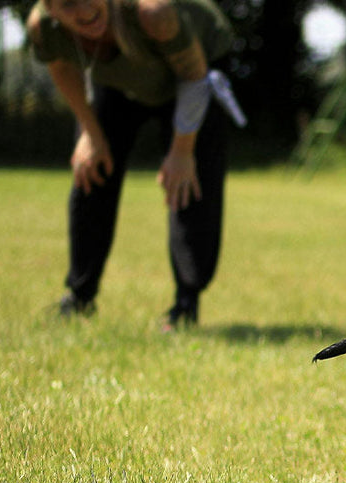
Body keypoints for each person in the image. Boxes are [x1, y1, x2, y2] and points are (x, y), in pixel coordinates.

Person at [27, 0, 245, 330]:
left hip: (194, 75)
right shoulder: (44, 27)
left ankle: (186, 304)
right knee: (91, 170)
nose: (82, 10)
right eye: (67, 3)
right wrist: (90, 131)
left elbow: (193, 74)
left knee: (189, 183)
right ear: (50, 9)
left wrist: (182, 151)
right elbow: (61, 66)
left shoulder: (151, 12)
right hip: (117, 82)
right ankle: (80, 296)